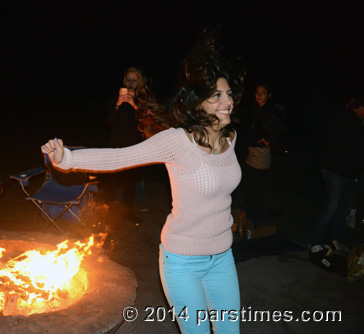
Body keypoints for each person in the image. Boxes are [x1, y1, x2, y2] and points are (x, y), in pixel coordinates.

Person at [41, 30, 244, 333]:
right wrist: (67, 159)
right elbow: (119, 158)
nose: (227, 101)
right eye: (217, 95)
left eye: (228, 94)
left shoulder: (231, 138)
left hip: (223, 258)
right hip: (183, 261)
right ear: (198, 102)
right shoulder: (178, 141)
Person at [310, 92, 364, 257]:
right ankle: (315, 242)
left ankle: (333, 239)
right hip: (335, 172)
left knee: (344, 209)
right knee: (330, 208)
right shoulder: (343, 119)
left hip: (351, 174)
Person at [104, 67, 148, 221]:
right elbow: (109, 121)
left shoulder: (143, 98)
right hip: (116, 144)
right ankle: (106, 211)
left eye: (134, 80)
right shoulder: (118, 95)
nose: (130, 83)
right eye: (128, 80)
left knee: (130, 181)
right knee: (112, 178)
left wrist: (135, 106)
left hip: (134, 145)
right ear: (124, 80)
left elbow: (147, 123)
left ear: (139, 81)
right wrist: (118, 103)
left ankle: (127, 212)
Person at [237, 83, 285, 222]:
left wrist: (269, 141)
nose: (259, 95)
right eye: (257, 92)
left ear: (269, 95)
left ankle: (253, 217)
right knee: (248, 184)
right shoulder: (256, 109)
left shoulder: (271, 111)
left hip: (261, 154)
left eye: (263, 93)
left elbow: (278, 129)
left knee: (254, 186)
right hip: (251, 152)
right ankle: (249, 215)